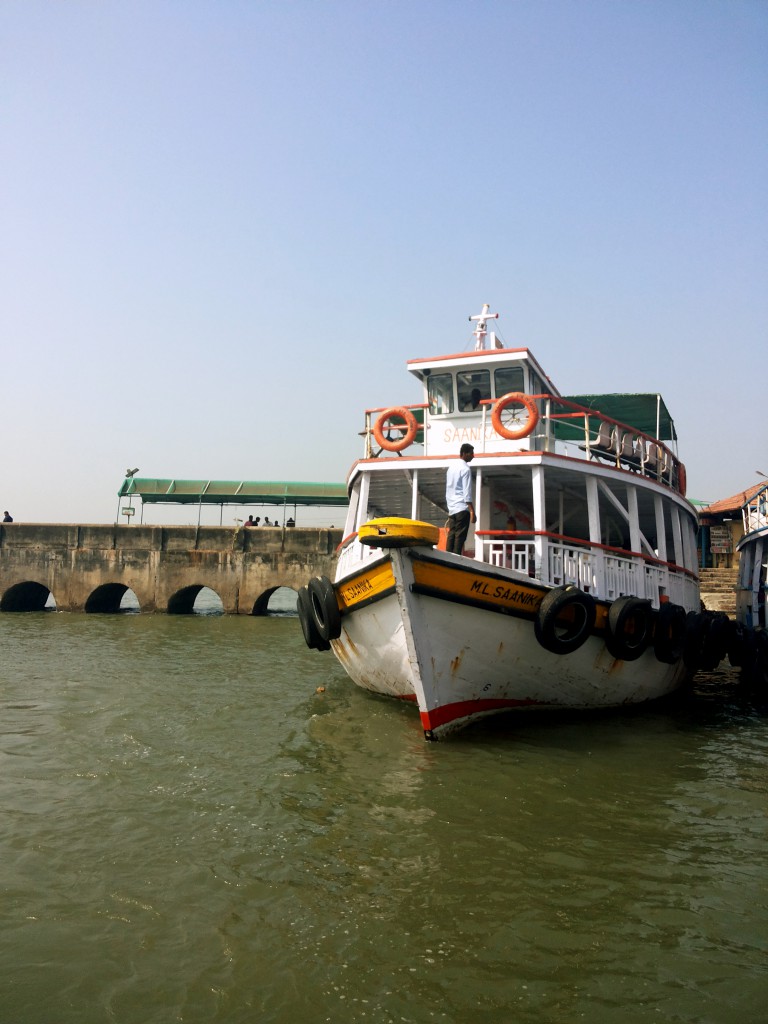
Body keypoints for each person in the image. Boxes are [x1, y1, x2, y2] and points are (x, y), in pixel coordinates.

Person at [445, 444, 475, 554]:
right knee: (460, 537)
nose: (473, 456)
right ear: (464, 453)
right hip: (462, 508)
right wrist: (472, 511)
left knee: (451, 534)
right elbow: (467, 493)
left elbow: (449, 488)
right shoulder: (465, 469)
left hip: (452, 508)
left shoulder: (451, 468)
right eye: (471, 453)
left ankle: (447, 556)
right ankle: (456, 558)